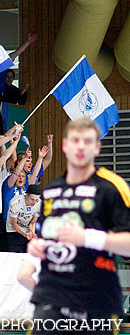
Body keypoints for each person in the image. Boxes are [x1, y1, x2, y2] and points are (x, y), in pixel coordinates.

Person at [27, 118, 130, 332]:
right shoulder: (51, 191)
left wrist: (87, 238)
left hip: (96, 300)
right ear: (65, 145)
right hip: (51, 299)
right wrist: (37, 249)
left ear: (97, 147)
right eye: (75, 140)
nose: (81, 146)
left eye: (87, 141)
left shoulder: (112, 187)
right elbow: (46, 237)